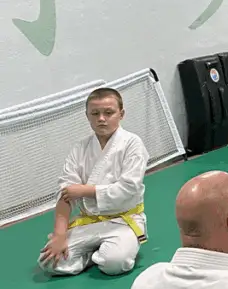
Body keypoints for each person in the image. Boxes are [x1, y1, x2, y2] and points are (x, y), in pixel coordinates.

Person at [38, 87, 149, 276]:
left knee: (114, 263)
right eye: (95, 113)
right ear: (87, 116)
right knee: (49, 262)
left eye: (108, 113)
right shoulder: (80, 148)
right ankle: (91, 254)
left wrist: (84, 191)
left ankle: (105, 252)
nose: (101, 119)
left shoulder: (132, 144)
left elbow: (128, 188)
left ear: (121, 114)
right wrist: (59, 235)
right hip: (88, 222)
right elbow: (65, 193)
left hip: (123, 221)